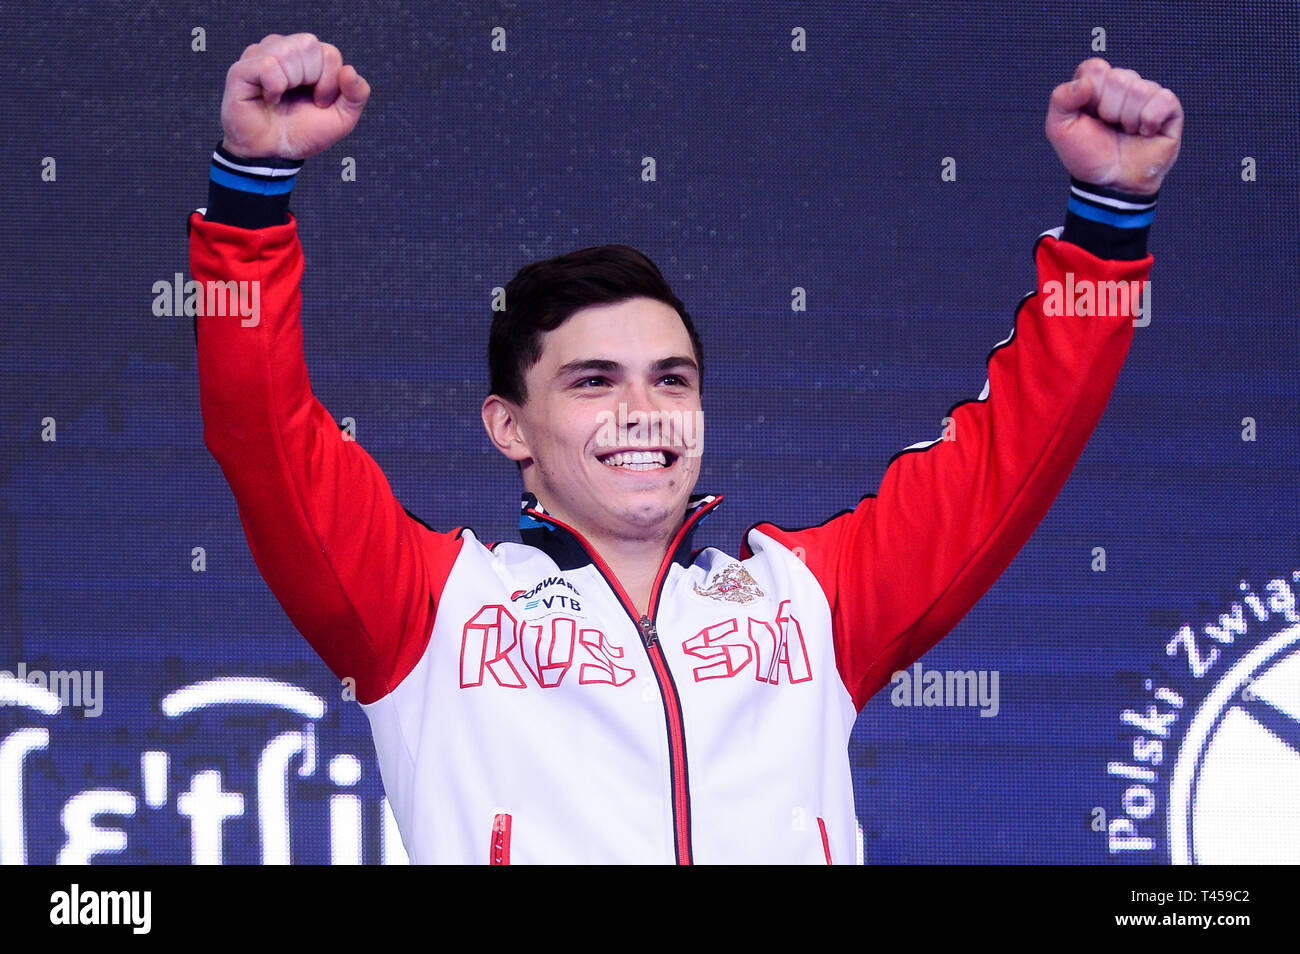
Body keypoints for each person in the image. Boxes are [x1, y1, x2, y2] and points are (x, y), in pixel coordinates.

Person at [189, 33, 1182, 863]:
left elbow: (1009, 455)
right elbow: (263, 435)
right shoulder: (426, 612)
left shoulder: (809, 605)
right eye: (592, 382)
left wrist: (1106, 227)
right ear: (509, 429)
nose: (643, 411)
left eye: (670, 379)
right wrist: (251, 197)